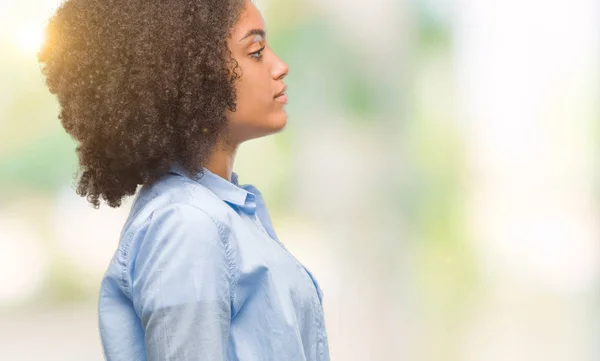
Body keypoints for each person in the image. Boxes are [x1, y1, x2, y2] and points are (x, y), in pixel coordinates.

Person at [38, 0, 330, 360]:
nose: (280, 66)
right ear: (192, 74)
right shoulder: (186, 224)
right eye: (255, 52)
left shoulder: (217, 213)